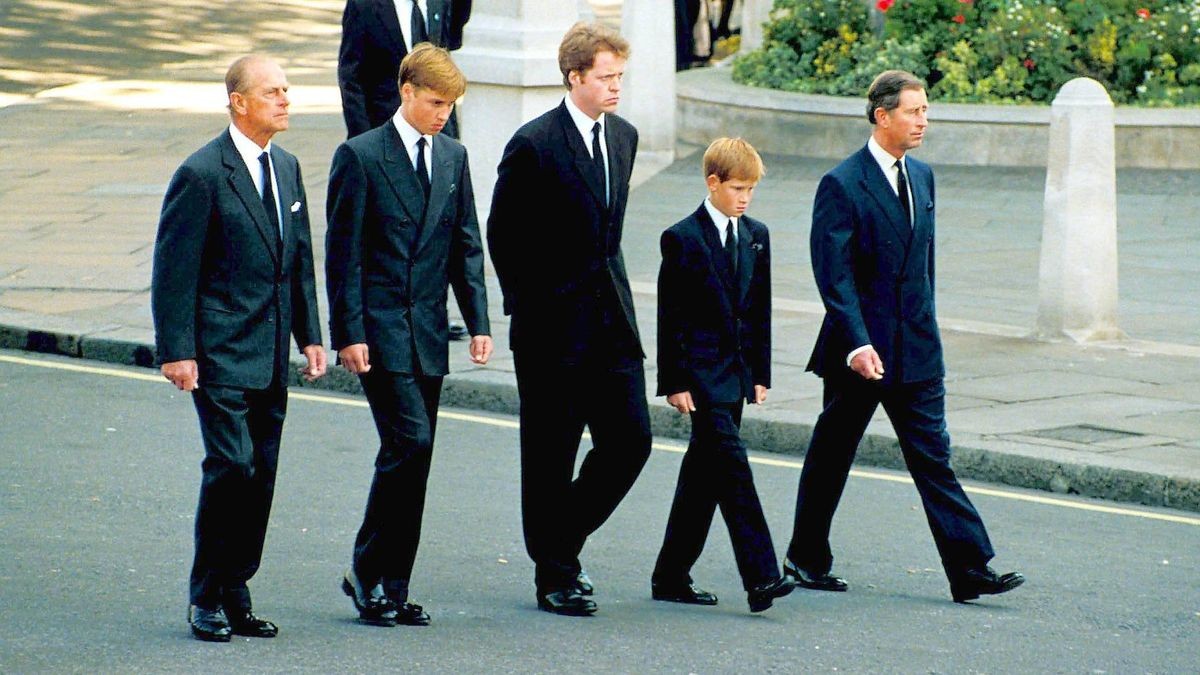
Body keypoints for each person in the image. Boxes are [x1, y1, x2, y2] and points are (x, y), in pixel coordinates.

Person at [785, 70, 1025, 604]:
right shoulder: (842, 184)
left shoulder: (923, 177)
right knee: (832, 456)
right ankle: (805, 557)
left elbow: (924, 268)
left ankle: (969, 569)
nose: (924, 120)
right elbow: (834, 275)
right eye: (914, 111)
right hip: (860, 352)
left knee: (933, 458)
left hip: (915, 349)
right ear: (882, 116)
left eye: (926, 111)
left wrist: (928, 331)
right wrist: (855, 342)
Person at [151, 55, 327, 642]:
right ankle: (206, 596)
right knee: (232, 465)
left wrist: (312, 337)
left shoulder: (288, 167)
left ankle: (235, 587)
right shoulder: (202, 173)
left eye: (286, 90)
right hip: (221, 349)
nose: (285, 100)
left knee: (261, 474)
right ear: (239, 102)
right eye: (272, 92)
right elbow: (174, 271)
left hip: (271, 347)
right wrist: (178, 350)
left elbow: (298, 262)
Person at [487, 22, 651, 617]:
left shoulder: (625, 137)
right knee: (551, 454)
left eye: (620, 77)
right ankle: (555, 574)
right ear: (575, 76)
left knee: (632, 440)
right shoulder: (533, 143)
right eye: (605, 77)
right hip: (551, 328)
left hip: (612, 321)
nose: (615, 88)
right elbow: (502, 236)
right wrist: (532, 309)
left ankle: (558, 540)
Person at [325, 43, 491, 628]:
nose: (444, 113)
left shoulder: (453, 157)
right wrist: (347, 333)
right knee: (409, 443)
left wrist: (478, 322)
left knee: (415, 459)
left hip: (425, 331)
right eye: (435, 101)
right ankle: (367, 573)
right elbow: (341, 256)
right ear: (407, 93)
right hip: (378, 330)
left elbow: (464, 243)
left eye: (451, 104)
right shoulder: (361, 156)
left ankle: (392, 585)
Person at [651, 138, 795, 613]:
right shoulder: (682, 237)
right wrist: (674, 381)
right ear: (712, 183)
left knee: (703, 478)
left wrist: (759, 373)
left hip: (735, 378)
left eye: (751, 189)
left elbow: (759, 312)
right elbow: (670, 316)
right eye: (737, 188)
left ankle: (671, 575)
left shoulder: (757, 234)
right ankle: (762, 578)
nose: (745, 197)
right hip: (698, 378)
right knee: (733, 469)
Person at [337, 0, 471, 139]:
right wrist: (363, 138)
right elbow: (350, 77)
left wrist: (451, 133)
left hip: (436, 136)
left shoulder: (440, 3)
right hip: (384, 130)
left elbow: (443, 67)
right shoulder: (364, 5)